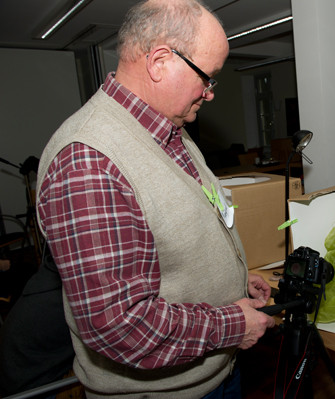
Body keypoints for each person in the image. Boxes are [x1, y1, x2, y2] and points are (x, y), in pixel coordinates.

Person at [35, 0, 275, 397]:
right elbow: (121, 326)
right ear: (160, 61)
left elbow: (172, 237)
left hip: (215, 371)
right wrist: (233, 324)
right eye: (207, 78)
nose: (210, 93)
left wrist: (233, 281)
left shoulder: (171, 131)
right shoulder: (89, 162)